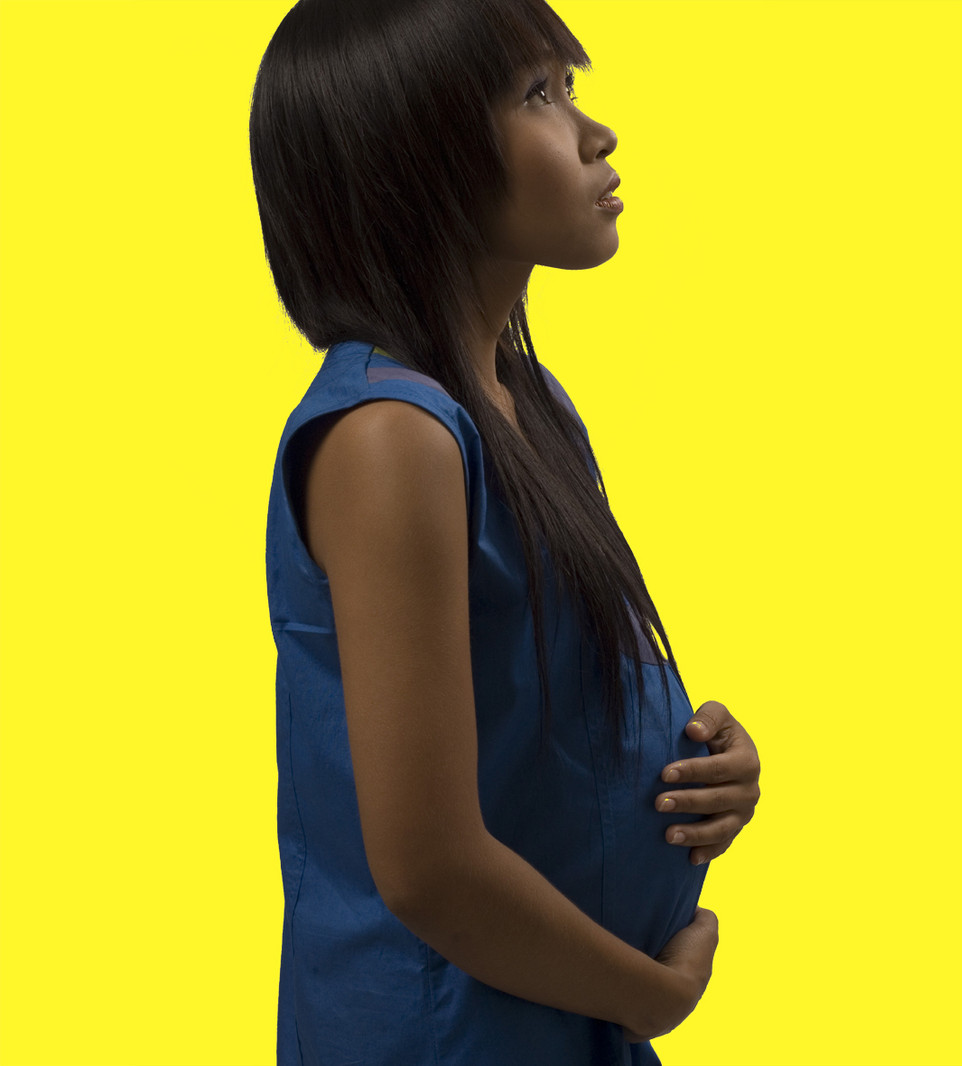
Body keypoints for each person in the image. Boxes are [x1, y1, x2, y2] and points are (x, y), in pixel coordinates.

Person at [250, 0, 762, 1061]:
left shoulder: (528, 403)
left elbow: (540, 711)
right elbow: (429, 868)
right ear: (412, 156)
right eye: (538, 96)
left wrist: (694, 764)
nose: (594, 133)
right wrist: (650, 997)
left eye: (568, 87)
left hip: (553, 1021)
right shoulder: (391, 439)